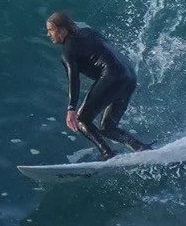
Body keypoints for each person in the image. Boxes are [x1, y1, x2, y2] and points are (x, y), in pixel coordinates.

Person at [46, 10, 148, 157]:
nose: (48, 34)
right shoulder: (89, 32)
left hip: (113, 77)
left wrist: (71, 109)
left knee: (81, 119)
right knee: (107, 127)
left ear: (62, 30)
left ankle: (107, 153)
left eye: (51, 30)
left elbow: (74, 79)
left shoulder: (68, 50)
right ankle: (139, 147)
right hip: (129, 75)